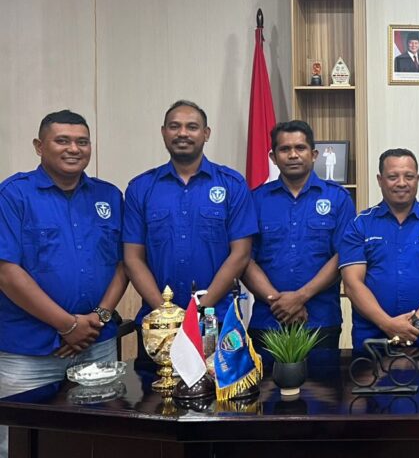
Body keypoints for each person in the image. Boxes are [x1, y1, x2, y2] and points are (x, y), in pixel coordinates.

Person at [0, 110, 129, 453]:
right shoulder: (13, 195)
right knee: (18, 444)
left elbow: (124, 263)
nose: (74, 149)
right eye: (62, 140)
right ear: (39, 146)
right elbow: (7, 273)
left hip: (96, 345)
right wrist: (68, 325)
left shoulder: (109, 196)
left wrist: (98, 318)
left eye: (82, 141)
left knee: (97, 441)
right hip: (29, 353)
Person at [123, 100, 257, 360]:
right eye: (175, 126)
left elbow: (241, 254)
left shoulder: (232, 184)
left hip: (216, 320)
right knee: (154, 387)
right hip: (158, 324)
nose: (182, 133)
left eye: (192, 127)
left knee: (216, 386)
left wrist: (199, 311)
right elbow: (132, 258)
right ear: (164, 132)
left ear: (206, 134)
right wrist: (168, 315)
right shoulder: (141, 188)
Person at [243, 121, 355, 350]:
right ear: (273, 157)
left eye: (300, 148)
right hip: (269, 321)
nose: (293, 155)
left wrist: (300, 297)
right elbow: (244, 258)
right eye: (285, 149)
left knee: (323, 376)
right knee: (265, 377)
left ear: (314, 155)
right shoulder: (255, 200)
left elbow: (343, 256)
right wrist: (278, 303)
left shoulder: (338, 198)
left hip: (320, 322)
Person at [339, 149, 419, 351]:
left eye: (409, 176)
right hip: (373, 341)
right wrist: (388, 324)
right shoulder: (360, 224)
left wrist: (417, 323)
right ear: (380, 180)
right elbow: (352, 284)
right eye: (393, 177)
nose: (402, 183)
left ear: (418, 179)